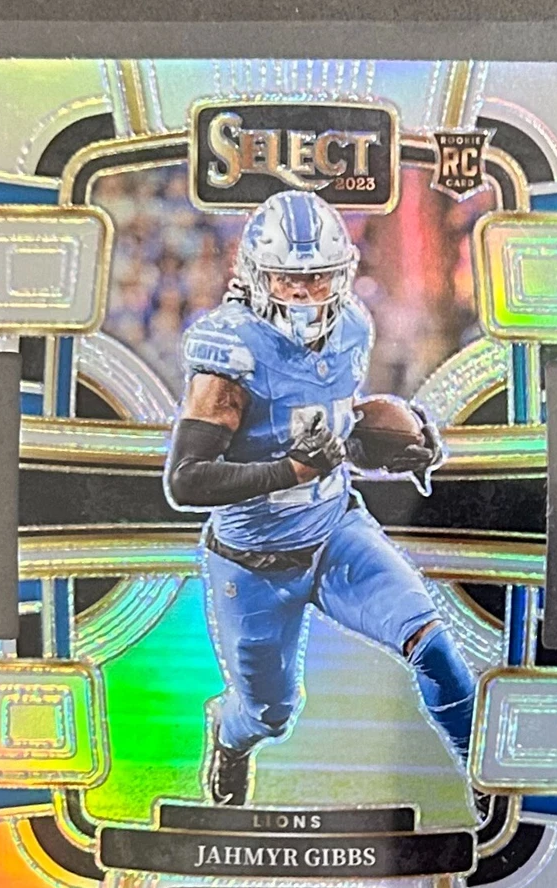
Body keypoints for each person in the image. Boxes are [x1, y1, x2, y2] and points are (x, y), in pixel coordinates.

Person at [164, 190, 477, 808]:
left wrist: (400, 439)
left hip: (336, 533)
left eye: (320, 278)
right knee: (269, 714)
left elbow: (334, 431)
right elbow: (187, 480)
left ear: (343, 273)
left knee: (435, 647)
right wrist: (290, 469)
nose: (306, 294)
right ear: (257, 277)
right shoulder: (231, 351)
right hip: (253, 564)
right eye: (289, 279)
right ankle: (228, 734)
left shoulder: (352, 326)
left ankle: (483, 778)